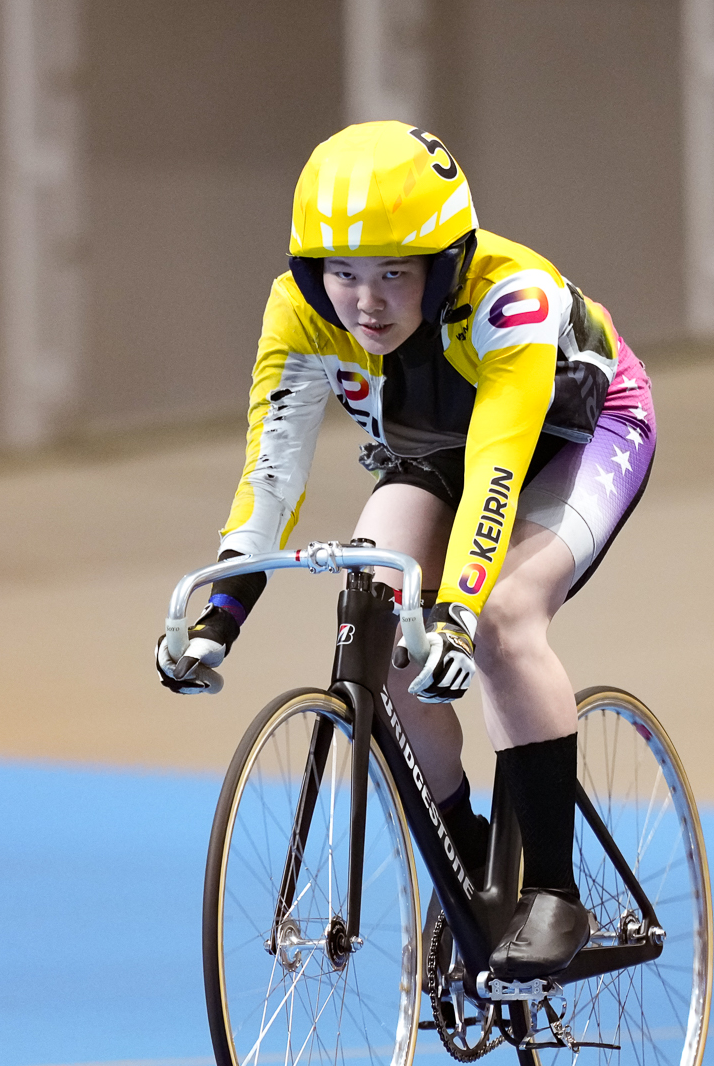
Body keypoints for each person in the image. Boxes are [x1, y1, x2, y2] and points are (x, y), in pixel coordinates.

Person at [157, 120, 656, 981]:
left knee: (501, 621)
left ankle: (554, 892)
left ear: (445, 265)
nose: (366, 302)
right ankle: (472, 872)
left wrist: (458, 613)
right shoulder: (299, 311)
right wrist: (222, 615)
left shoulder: (511, 300)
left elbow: (498, 474)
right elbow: (271, 473)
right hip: (435, 451)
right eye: (343, 274)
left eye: (394, 272)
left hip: (572, 434)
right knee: (375, 625)